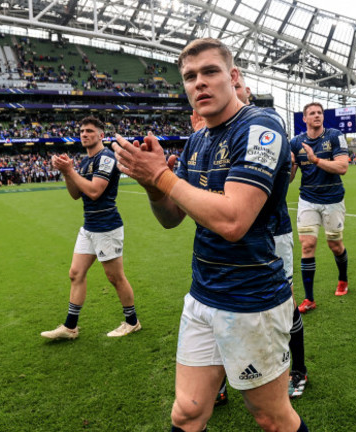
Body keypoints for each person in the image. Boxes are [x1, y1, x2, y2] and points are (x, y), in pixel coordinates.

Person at [112, 38, 307, 432]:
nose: (198, 83)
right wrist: (154, 186)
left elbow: (234, 222)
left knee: (272, 418)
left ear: (233, 77)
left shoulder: (261, 127)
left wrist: (162, 176)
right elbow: (172, 218)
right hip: (202, 295)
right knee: (187, 413)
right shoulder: (197, 141)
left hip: (252, 300)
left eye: (210, 72)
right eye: (189, 76)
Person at [196, 71, 309, 403]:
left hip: (273, 233)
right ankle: (217, 378)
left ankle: (297, 369)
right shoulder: (211, 133)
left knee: (284, 303)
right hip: (224, 243)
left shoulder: (265, 122)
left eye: (241, 86)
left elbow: (284, 169)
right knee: (217, 303)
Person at [41, 116, 140, 340]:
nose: (84, 134)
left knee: (115, 277)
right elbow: (76, 194)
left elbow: (95, 191)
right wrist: (68, 173)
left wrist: (71, 171)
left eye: (89, 131)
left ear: (100, 135)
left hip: (106, 226)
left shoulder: (105, 157)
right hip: (89, 226)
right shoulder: (86, 161)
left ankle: (132, 322)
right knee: (75, 274)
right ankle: (70, 327)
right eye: (82, 131)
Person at [290, 102, 350, 313]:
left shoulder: (334, 136)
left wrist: (315, 160)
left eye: (319, 113)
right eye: (312, 113)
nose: (317, 116)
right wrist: (289, 165)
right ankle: (309, 299)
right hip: (307, 199)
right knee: (307, 245)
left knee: (335, 244)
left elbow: (342, 167)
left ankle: (343, 278)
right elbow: (289, 179)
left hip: (333, 198)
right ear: (304, 119)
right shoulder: (295, 142)